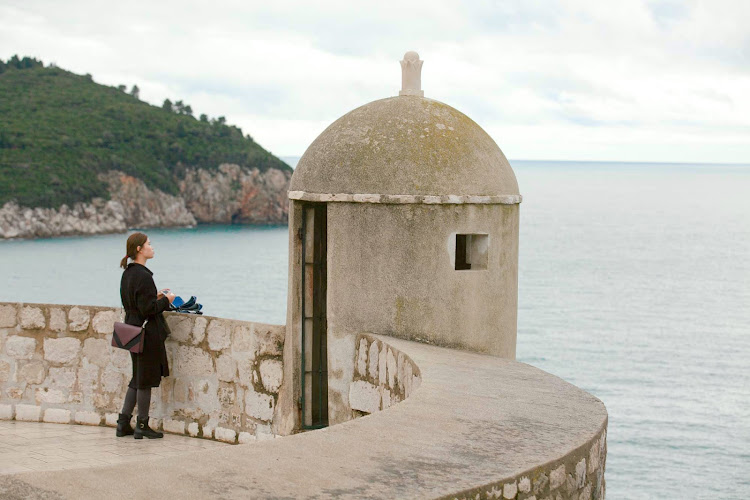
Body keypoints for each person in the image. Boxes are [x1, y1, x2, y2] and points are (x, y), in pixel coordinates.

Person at [116, 232, 175, 439]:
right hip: (145, 333)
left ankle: (123, 422)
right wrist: (167, 299)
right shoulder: (144, 275)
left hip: (130, 329)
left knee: (137, 378)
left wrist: (155, 296)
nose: (152, 247)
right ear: (139, 249)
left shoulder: (128, 273)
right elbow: (149, 310)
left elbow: (134, 303)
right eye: (149, 244)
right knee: (145, 380)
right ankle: (142, 424)